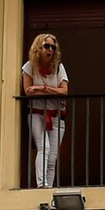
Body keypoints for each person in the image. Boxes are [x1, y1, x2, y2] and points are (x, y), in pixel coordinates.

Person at [21, 32, 68, 188]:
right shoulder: (29, 67)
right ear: (38, 48)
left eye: (53, 47)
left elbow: (64, 91)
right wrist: (53, 91)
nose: (50, 50)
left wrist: (42, 88)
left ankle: (49, 188)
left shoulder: (59, 68)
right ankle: (41, 185)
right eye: (46, 46)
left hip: (57, 116)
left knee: (53, 156)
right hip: (37, 114)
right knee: (44, 148)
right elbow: (28, 90)